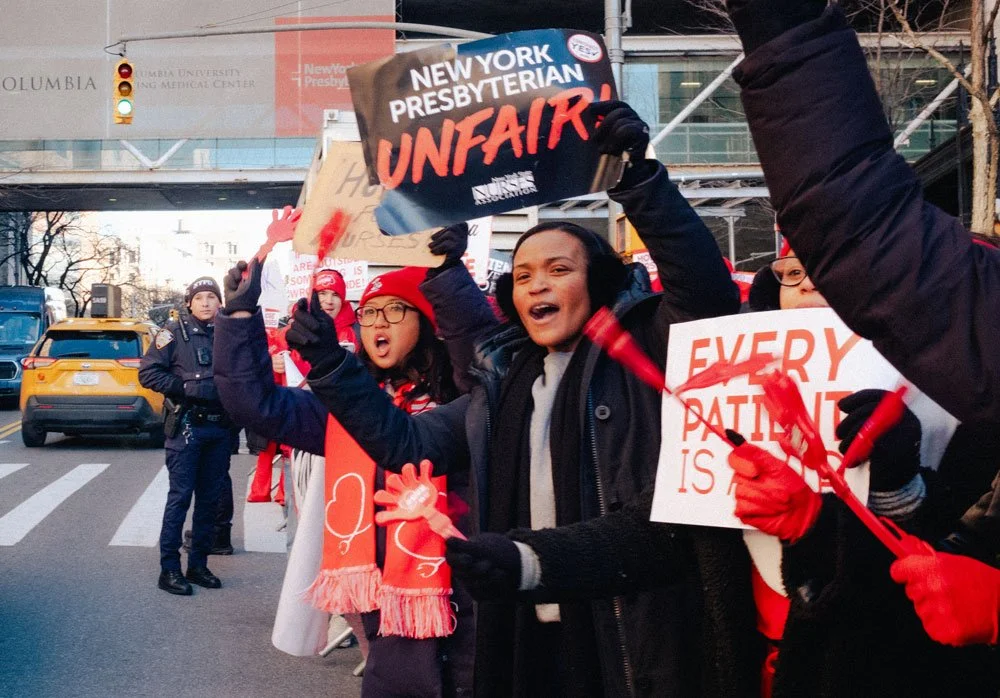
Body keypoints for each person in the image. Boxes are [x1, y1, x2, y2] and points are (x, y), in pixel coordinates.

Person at [279, 101, 741, 696]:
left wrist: (640, 183)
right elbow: (406, 443)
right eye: (522, 276)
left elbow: (704, 291)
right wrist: (330, 365)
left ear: (599, 282)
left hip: (632, 633)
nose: (537, 284)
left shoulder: (645, 350)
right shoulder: (503, 384)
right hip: (527, 633)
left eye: (558, 270)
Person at [722, 0, 1000, 645]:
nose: (809, 284)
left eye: (818, 271)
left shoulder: (954, 374)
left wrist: (900, 482)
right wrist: (810, 525)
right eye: (792, 273)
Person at [215, 243, 485, 697]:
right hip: (383, 606)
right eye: (369, 313)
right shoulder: (348, 405)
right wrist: (239, 317)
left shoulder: (467, 398)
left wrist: (448, 275)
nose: (377, 323)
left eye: (395, 310)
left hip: (470, 598)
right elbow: (256, 405)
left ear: (427, 323)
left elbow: (478, 366)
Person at [139, 276, 232, 595]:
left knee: (210, 500)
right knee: (180, 498)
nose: (206, 302)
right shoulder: (172, 333)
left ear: (220, 302)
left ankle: (198, 565)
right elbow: (148, 373)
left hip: (219, 427)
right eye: (199, 297)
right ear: (189, 303)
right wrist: (184, 387)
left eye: (211, 297)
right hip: (187, 425)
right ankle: (169, 570)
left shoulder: (227, 333)